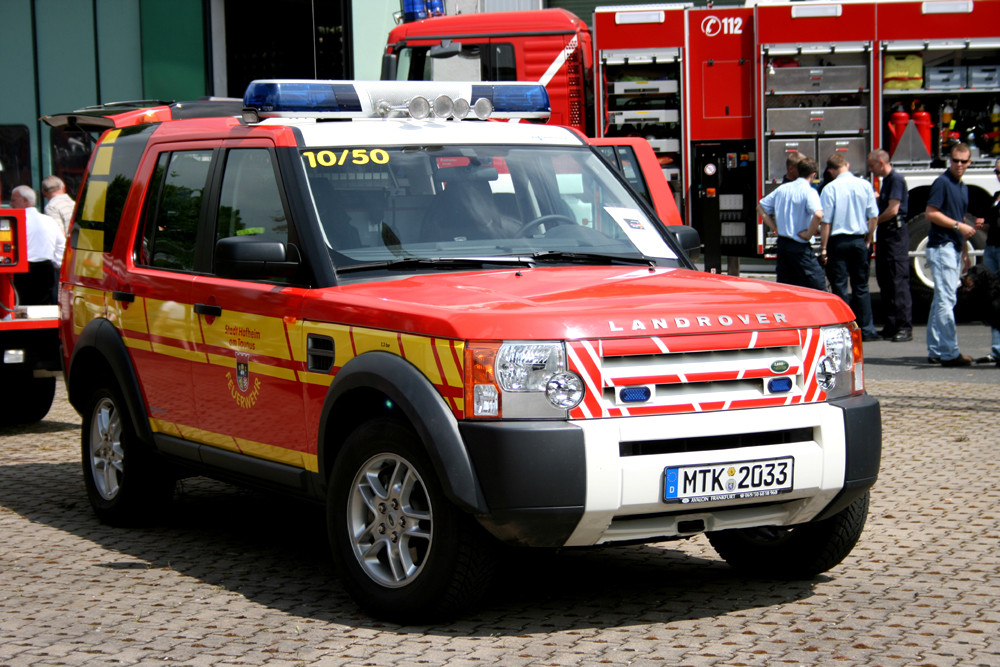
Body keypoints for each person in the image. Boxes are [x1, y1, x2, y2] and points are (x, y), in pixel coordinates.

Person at [924, 143, 983, 367]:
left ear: (969, 162)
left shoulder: (961, 186)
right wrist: (959, 226)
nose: (959, 165)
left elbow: (960, 220)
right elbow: (931, 213)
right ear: (950, 160)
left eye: (964, 161)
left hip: (952, 248)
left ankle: (937, 348)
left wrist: (965, 252)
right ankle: (949, 352)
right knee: (947, 300)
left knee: (942, 299)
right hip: (942, 246)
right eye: (956, 160)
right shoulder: (942, 182)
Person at [819, 153, 880, 341]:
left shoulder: (830, 188)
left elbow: (826, 222)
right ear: (847, 164)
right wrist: (869, 239)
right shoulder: (864, 185)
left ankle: (844, 329)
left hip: (838, 242)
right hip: (859, 240)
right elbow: (874, 216)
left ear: (831, 170)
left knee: (839, 287)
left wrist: (824, 247)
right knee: (861, 286)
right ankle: (867, 329)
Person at [757, 157, 826, 291]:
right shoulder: (809, 191)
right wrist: (808, 234)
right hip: (800, 246)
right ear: (813, 174)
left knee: (786, 287)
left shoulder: (782, 189)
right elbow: (818, 214)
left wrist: (774, 227)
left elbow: (760, 207)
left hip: (783, 244)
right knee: (818, 287)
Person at [867, 149, 913, 342]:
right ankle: (892, 324)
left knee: (898, 281)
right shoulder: (886, 181)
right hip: (887, 235)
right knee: (886, 280)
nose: (871, 169)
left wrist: (875, 221)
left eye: (871, 165)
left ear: (881, 162)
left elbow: (893, 210)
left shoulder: (896, 179)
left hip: (895, 235)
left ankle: (904, 326)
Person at [10, 185, 64, 305]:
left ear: (25, 201)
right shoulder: (49, 220)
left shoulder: (15, 221)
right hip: (46, 269)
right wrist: (56, 265)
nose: (10, 204)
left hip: (22, 272)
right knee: (45, 311)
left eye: (13, 200)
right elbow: (61, 244)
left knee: (22, 308)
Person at [977, 156, 1000, 365]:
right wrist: (983, 224)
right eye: (997, 172)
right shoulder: (996, 197)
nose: (999, 176)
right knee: (994, 300)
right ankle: (996, 349)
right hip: (992, 248)